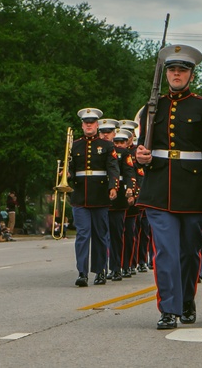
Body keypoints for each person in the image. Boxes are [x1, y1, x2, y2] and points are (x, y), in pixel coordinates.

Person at [134, 45, 202, 330]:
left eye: (182, 70)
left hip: (192, 188)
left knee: (188, 251)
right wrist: (140, 157)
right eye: (172, 69)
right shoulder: (152, 106)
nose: (176, 74)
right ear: (166, 74)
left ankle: (187, 299)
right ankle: (168, 309)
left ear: (191, 75)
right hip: (158, 187)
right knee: (165, 251)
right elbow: (141, 147)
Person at [69, 108, 121, 287]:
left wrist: (113, 186)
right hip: (80, 196)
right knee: (83, 235)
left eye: (92, 122)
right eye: (86, 122)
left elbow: (113, 167)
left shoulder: (107, 145)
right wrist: (66, 175)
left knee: (100, 235)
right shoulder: (74, 145)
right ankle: (82, 272)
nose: (89, 125)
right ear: (82, 125)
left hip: (100, 195)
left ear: (97, 125)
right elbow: (71, 168)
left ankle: (100, 271)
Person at [108, 127, 138, 281]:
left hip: (120, 199)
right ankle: (107, 267)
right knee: (105, 236)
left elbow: (129, 173)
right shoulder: (104, 150)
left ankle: (119, 266)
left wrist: (131, 191)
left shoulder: (125, 154)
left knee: (120, 235)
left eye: (122, 141)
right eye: (116, 141)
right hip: (102, 198)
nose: (118, 144)